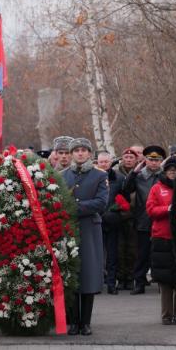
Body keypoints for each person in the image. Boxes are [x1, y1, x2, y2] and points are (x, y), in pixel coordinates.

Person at [62, 138, 108, 336]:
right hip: (68, 228)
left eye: (84, 150)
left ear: (90, 153)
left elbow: (101, 202)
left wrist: (74, 208)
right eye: (76, 150)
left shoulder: (99, 175)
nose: (80, 153)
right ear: (71, 154)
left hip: (89, 228)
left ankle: (86, 322)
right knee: (71, 273)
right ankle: (72, 321)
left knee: (88, 274)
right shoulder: (62, 175)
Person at [146, 157, 176, 325]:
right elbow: (150, 210)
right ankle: (166, 315)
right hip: (162, 238)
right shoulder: (157, 188)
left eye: (175, 170)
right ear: (165, 172)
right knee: (165, 280)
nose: (172, 172)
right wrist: (168, 209)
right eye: (169, 170)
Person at [124, 145, 166, 294]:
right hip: (143, 219)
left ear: (161, 161)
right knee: (142, 253)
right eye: (150, 160)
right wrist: (134, 173)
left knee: (161, 253)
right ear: (145, 160)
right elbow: (126, 189)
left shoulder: (165, 176)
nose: (154, 163)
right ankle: (139, 283)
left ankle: (162, 283)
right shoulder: (139, 175)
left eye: (157, 160)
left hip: (162, 220)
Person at [112, 148, 139, 291]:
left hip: (134, 216)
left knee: (132, 249)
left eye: (131, 157)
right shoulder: (115, 174)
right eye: (126, 157)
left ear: (136, 160)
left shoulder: (140, 173)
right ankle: (120, 277)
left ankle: (130, 277)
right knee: (119, 248)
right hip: (119, 215)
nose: (128, 159)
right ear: (122, 159)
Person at [97, 151, 122, 295]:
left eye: (106, 161)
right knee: (98, 255)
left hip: (112, 221)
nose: (104, 164)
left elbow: (124, 198)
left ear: (111, 162)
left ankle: (112, 283)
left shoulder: (119, 178)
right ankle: (98, 283)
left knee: (112, 255)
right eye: (101, 162)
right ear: (97, 162)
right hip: (96, 220)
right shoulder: (93, 176)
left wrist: (117, 209)